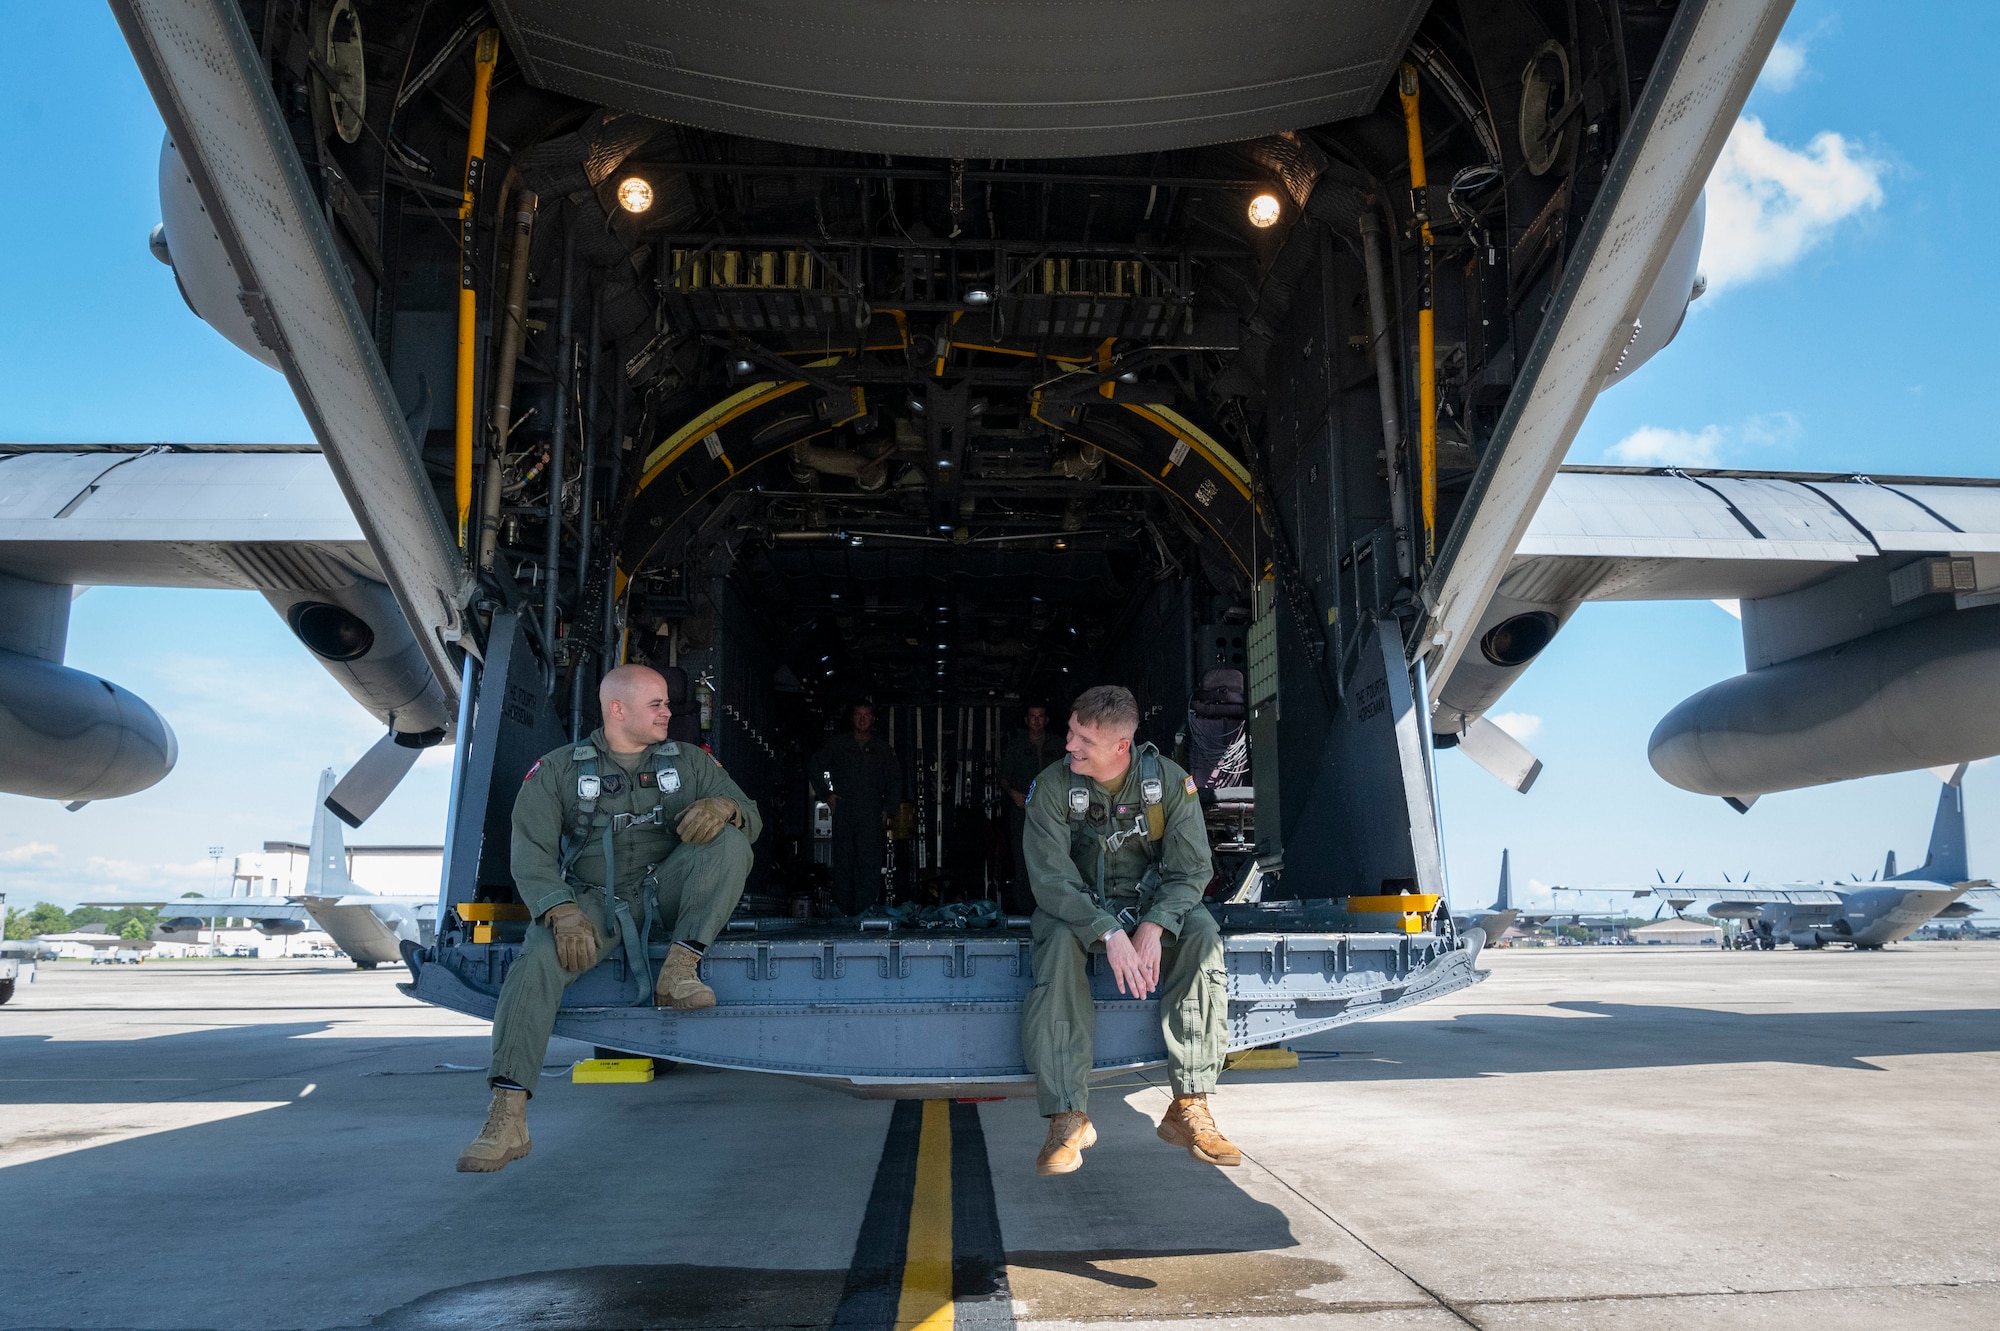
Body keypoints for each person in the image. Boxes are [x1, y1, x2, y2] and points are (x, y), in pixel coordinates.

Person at [456, 664, 762, 1173]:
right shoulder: (557, 770)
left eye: (667, 703)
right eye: (657, 704)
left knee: (729, 843)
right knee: (535, 965)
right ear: (617, 709)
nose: (669, 712)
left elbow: (751, 816)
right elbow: (529, 852)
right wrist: (558, 908)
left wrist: (726, 806)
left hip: (666, 891)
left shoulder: (690, 762)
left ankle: (680, 970)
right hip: (591, 902)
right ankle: (507, 1116)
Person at [1018, 684, 1238, 1176]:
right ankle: (1067, 1116)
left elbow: (1192, 871)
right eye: (1071, 733)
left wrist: (1156, 924)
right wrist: (1108, 932)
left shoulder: (1170, 784)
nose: (1069, 745)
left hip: (1149, 907)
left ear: (1121, 747)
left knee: (1201, 935)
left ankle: (1190, 1106)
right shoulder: (1054, 788)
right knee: (1054, 943)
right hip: (1076, 910)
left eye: (1082, 741)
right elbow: (1050, 879)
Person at [809, 702, 902, 915]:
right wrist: (827, 795)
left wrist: (888, 808)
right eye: (858, 715)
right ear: (852, 718)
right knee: (844, 860)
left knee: (868, 861)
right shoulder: (838, 744)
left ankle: (865, 909)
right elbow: (815, 766)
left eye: (866, 715)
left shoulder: (882, 749)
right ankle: (844, 910)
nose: (862, 719)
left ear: (872, 719)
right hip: (845, 810)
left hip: (871, 812)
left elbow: (895, 781)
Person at [999, 703, 1061, 914]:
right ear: (1026, 720)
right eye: (1032, 716)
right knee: (1023, 857)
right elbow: (1003, 778)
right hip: (1022, 812)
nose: (1036, 720)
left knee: (1054, 857)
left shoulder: (1060, 745)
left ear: (1046, 720)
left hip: (1054, 814)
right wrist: (1013, 794)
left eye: (1040, 716)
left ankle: (1052, 908)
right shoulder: (1016, 746)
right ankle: (1026, 910)